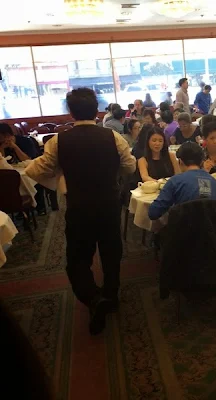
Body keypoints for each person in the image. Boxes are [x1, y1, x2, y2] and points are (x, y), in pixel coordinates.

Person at [25, 88, 136, 335]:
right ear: (96, 109)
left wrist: (61, 177)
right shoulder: (113, 137)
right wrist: (113, 174)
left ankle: (93, 298)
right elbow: (129, 166)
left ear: (70, 111)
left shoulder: (58, 141)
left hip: (78, 206)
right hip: (108, 204)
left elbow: (33, 171)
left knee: (78, 258)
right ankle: (111, 296)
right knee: (111, 252)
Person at [148, 142, 216, 220]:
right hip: (213, 230)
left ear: (180, 161)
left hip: (182, 230)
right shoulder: (214, 182)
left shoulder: (175, 181)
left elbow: (153, 213)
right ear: (201, 162)